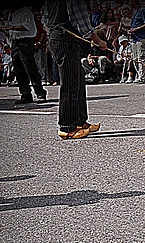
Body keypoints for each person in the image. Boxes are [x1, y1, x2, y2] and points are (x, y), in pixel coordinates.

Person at [43, 0, 107, 139]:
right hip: (66, 39)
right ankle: (67, 127)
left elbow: (45, 20)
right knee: (70, 83)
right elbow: (82, 21)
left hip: (59, 37)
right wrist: (98, 40)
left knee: (78, 80)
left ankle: (80, 121)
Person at [1, 4, 47, 104]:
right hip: (15, 42)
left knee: (30, 68)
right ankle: (25, 94)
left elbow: (26, 26)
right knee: (19, 70)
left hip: (25, 41)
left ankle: (40, 92)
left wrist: (11, 27)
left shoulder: (24, 11)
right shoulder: (11, 14)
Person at [128, 0, 145, 83]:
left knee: (142, 57)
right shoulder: (134, 12)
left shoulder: (142, 10)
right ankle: (139, 75)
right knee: (134, 58)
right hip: (134, 38)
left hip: (141, 37)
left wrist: (137, 29)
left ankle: (142, 77)